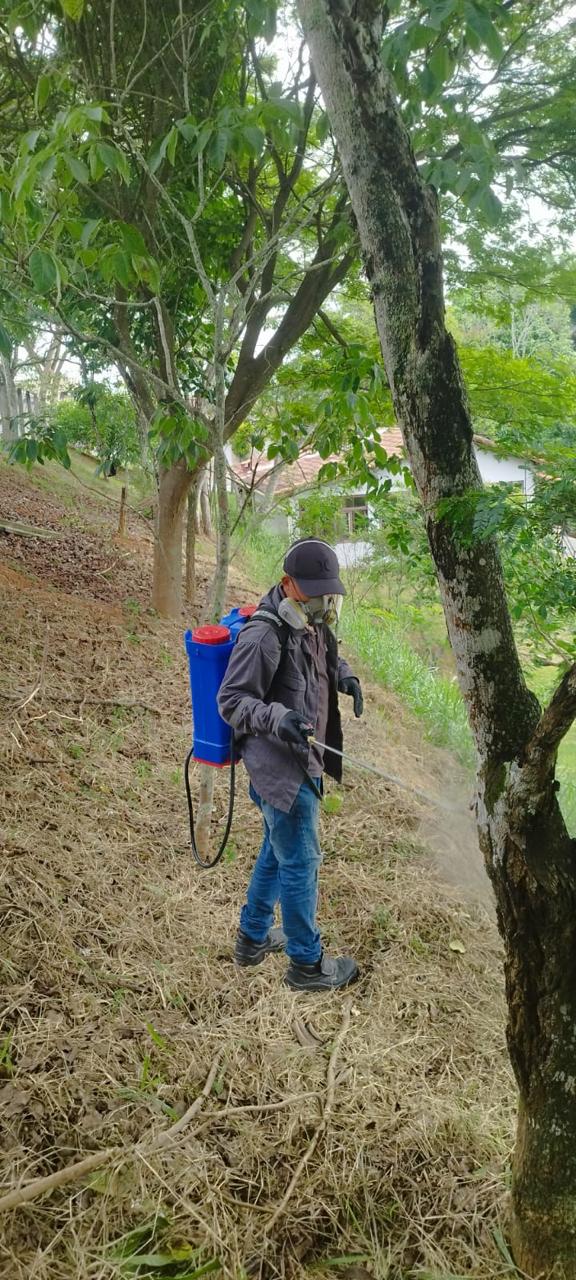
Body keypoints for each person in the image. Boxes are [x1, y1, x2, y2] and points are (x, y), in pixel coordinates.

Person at [218, 537, 364, 992]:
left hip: (305, 758)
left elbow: (320, 664)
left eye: (328, 592)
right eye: (314, 592)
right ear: (288, 585)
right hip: (281, 769)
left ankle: (252, 938)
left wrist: (346, 678)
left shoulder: (313, 623)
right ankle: (306, 963)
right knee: (301, 861)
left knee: (275, 852)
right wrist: (277, 717)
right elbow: (232, 700)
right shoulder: (264, 635)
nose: (323, 602)